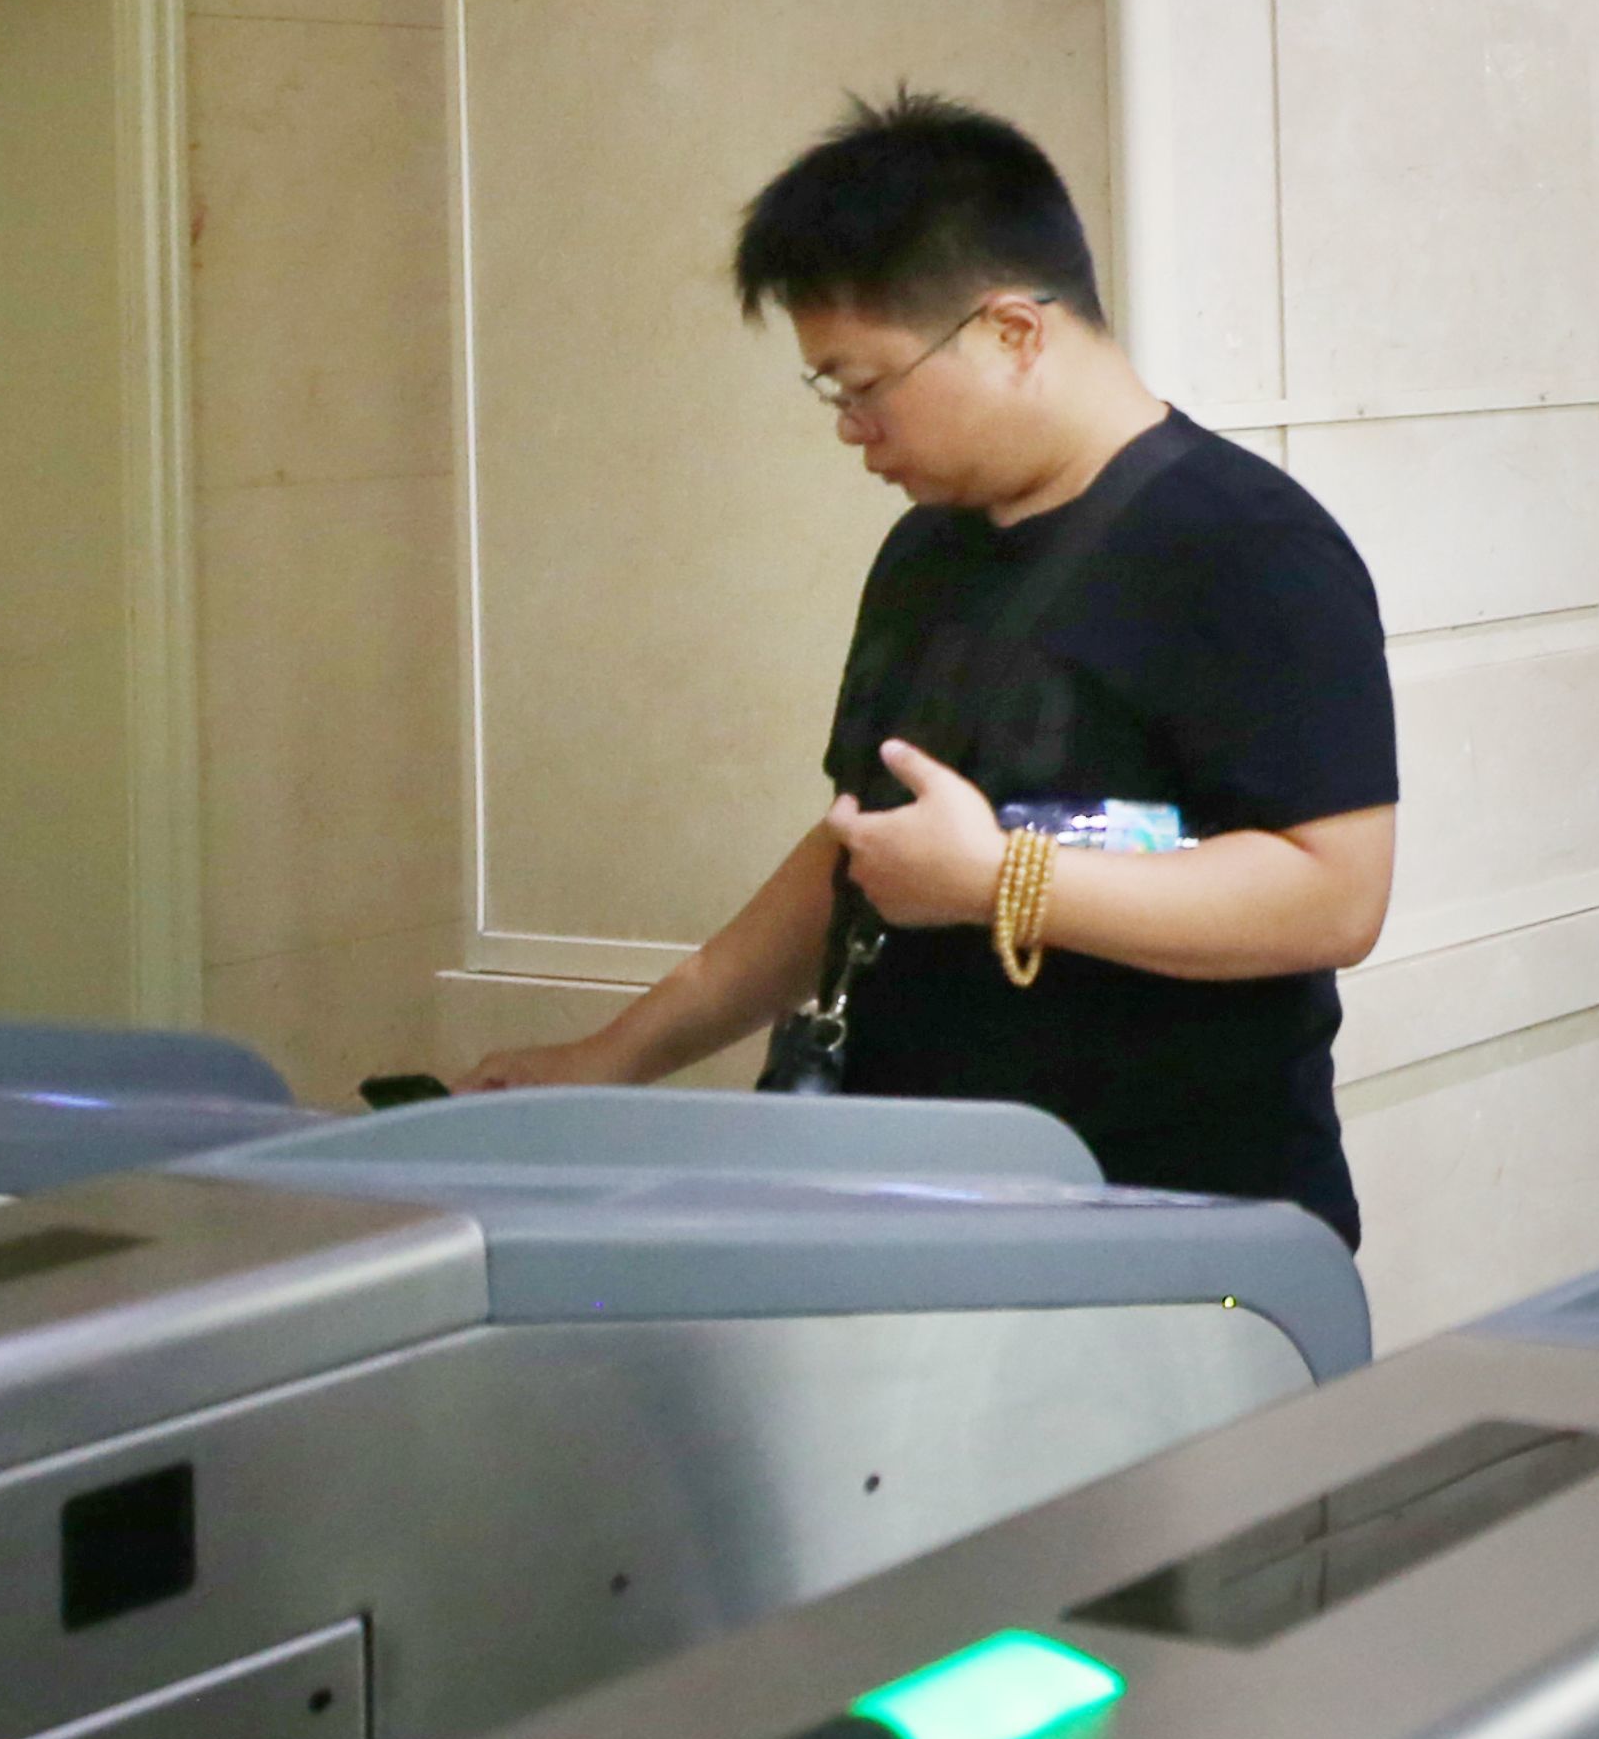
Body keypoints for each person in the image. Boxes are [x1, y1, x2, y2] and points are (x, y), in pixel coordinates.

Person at [468, 94, 1397, 1243]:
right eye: (831, 391)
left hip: (1170, 1229)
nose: (850, 427)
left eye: (864, 384)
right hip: (913, 1205)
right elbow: (865, 852)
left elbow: (1334, 895)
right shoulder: (927, 549)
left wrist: (1003, 881)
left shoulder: (1247, 545)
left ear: (1012, 332)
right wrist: (611, 1059)